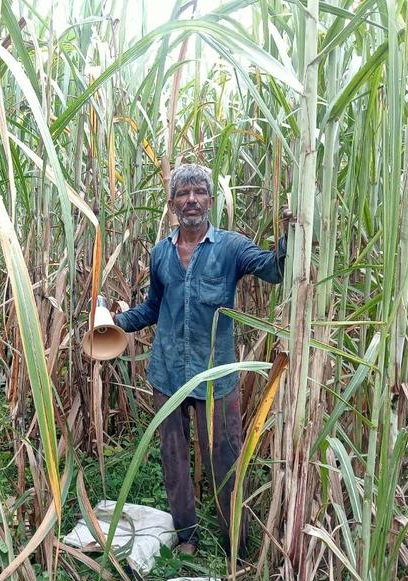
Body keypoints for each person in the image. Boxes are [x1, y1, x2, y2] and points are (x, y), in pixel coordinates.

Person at [113, 163, 289, 557]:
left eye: (198, 193)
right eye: (183, 194)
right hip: (169, 373)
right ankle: (187, 537)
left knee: (225, 459)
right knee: (174, 459)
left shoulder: (230, 247)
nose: (191, 200)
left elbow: (273, 270)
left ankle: (235, 543)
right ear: (172, 203)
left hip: (216, 375)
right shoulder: (161, 252)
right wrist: (115, 322)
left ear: (210, 200)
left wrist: (291, 237)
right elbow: (155, 307)